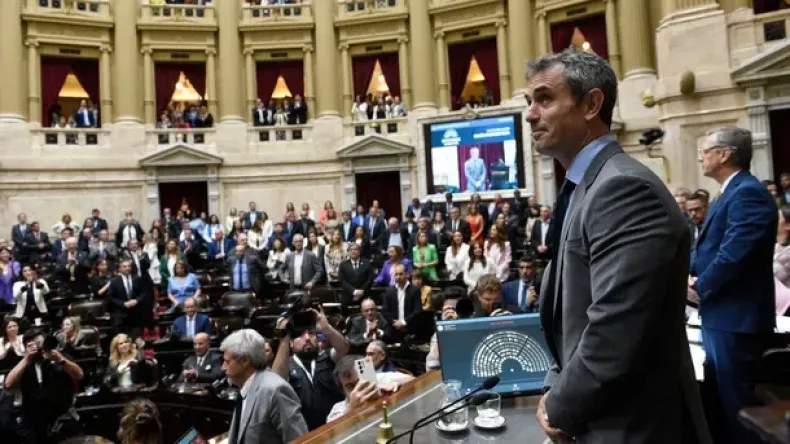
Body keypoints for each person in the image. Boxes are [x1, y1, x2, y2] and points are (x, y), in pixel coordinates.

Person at [525, 49, 710, 443]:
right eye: (530, 102)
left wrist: (559, 405)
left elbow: (614, 333)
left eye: (544, 99)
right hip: (599, 416)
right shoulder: (585, 186)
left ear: (591, 104)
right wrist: (555, 385)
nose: (530, 114)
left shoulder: (623, 188)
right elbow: (570, 313)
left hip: (632, 426)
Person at [689, 126, 777, 444]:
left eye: (706, 151)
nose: (701, 157)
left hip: (737, 320)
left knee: (740, 411)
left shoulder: (748, 193)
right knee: (723, 405)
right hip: (723, 316)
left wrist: (699, 286)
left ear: (724, 154)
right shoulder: (729, 192)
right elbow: (707, 249)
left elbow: (734, 253)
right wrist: (683, 272)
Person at [221, 329, 308, 444]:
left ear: (245, 361)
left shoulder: (275, 390)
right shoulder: (244, 388)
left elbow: (300, 440)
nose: (222, 368)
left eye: (227, 362)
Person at [5, 328, 84, 443]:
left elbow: (79, 375)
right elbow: (8, 384)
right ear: (26, 347)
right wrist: (27, 358)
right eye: (34, 344)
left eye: (40, 343)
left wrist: (59, 359)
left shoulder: (58, 357)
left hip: (60, 419)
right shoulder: (24, 364)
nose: (39, 347)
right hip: (34, 421)